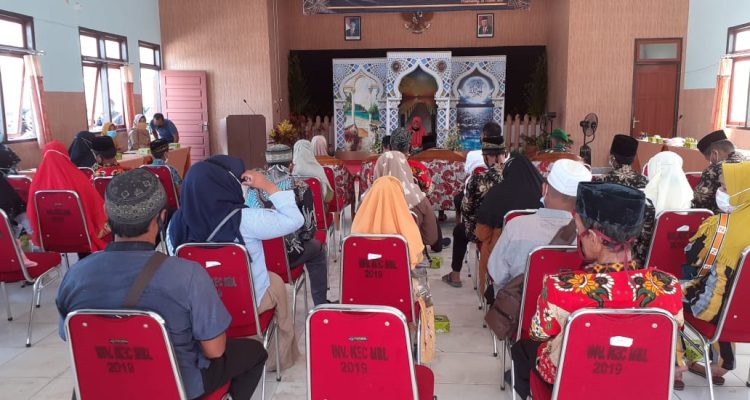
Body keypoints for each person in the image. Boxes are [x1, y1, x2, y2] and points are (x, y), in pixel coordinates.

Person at [57, 169, 267, 400]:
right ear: (162, 217)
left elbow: (69, 336)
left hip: (102, 388)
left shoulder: (75, 275)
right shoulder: (187, 274)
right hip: (177, 387)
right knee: (255, 352)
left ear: (106, 213)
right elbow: (215, 350)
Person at [511, 182, 684, 398]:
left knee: (522, 348)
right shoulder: (668, 285)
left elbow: (538, 335)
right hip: (639, 380)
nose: (578, 237)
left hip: (575, 380)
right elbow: (672, 336)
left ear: (593, 238)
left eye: (579, 231)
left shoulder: (561, 286)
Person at [167, 155, 301, 371]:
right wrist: (267, 185)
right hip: (246, 304)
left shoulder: (175, 223)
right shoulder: (245, 220)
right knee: (278, 284)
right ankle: (279, 359)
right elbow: (295, 220)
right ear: (225, 185)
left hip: (201, 310)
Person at [351, 175, 435, 363]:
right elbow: (417, 262)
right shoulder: (406, 229)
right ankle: (416, 345)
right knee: (423, 288)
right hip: (400, 303)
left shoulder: (355, 232)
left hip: (362, 298)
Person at [682, 162, 750, 385]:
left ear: (742, 190)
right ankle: (723, 362)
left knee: (672, 299)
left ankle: (677, 366)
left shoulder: (721, 225)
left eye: (725, 187)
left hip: (718, 310)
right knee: (734, 302)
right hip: (744, 311)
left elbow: (694, 260)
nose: (719, 192)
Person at [485, 158, 592, 294]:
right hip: (569, 306)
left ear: (544, 188)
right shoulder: (589, 237)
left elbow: (496, 274)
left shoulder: (516, 226)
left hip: (520, 306)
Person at [246, 144, 330, 305]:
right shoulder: (300, 186)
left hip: (256, 256)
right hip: (288, 256)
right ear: (291, 165)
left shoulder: (252, 188)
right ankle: (320, 304)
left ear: (266, 165)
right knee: (317, 248)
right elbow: (308, 231)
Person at [472, 155, 544, 292]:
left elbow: (482, 234)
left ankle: (489, 295)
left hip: (500, 261)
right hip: (539, 258)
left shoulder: (496, 193)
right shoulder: (544, 194)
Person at [447, 123, 506, 287]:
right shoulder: (512, 176)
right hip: (508, 231)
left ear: (486, 156)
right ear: (503, 154)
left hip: (483, 232)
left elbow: (466, 209)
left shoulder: (478, 179)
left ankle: (455, 275)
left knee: (459, 231)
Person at [26, 141, 110, 251]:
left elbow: (32, 213)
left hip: (49, 238)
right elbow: (96, 207)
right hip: (82, 236)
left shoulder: (36, 183)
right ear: (65, 155)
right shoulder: (78, 178)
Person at [373, 150, 449, 252]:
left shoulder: (367, 199)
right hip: (407, 251)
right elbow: (431, 237)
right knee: (428, 214)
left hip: (374, 251)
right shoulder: (417, 197)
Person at [598, 134, 654, 264]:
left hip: (607, 250)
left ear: (612, 157)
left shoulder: (602, 181)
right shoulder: (646, 183)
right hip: (636, 254)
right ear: (633, 159)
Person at [692, 129, 747, 213]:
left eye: (709, 159)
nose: (710, 162)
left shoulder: (713, 170)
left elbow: (699, 201)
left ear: (715, 153)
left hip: (719, 217)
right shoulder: (747, 163)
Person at [390, 127, 432, 195]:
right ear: (409, 146)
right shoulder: (419, 168)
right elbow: (428, 190)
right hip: (413, 201)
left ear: (391, 146)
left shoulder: (380, 166)